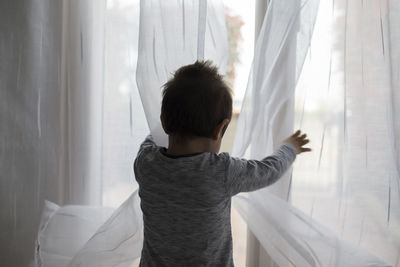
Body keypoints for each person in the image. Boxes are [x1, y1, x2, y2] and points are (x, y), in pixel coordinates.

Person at [134, 60, 311, 266]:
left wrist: (172, 115)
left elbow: (151, 138)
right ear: (220, 129)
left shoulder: (146, 164)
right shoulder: (220, 172)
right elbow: (268, 171)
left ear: (164, 122)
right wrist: (289, 148)